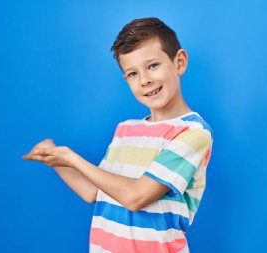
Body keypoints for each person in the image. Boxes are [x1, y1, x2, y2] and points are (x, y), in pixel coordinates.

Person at [23, 17, 213, 253]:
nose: (145, 80)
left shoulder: (193, 133)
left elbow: (136, 197)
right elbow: (93, 191)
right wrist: (56, 161)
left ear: (179, 62)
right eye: (133, 73)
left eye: (153, 65)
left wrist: (72, 158)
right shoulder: (125, 129)